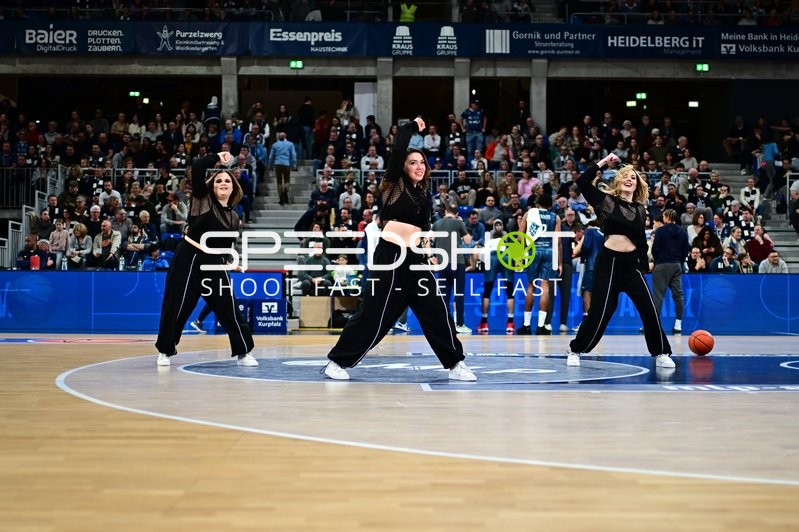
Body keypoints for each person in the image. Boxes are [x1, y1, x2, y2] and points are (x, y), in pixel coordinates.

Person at [323, 117, 476, 382]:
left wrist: (428, 255)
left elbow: (423, 231)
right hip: (391, 257)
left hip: (416, 259)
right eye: (412, 162)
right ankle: (337, 361)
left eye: (421, 162)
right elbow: (398, 150)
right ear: (403, 167)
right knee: (374, 314)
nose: (418, 166)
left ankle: (455, 363)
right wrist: (412, 128)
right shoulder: (394, 185)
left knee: (437, 310)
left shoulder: (423, 195)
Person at [566, 153, 675, 369]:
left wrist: (643, 266)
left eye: (633, 177)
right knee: (600, 312)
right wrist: (604, 162)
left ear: (637, 184)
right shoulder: (607, 202)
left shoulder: (641, 210)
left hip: (632, 265)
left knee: (649, 309)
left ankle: (661, 352)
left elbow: (641, 243)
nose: (629, 179)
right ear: (618, 181)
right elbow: (582, 182)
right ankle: (576, 349)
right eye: (625, 175)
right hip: (609, 263)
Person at [155, 151, 257, 368]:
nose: (223, 183)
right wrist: (217, 158)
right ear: (212, 185)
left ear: (233, 187)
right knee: (178, 306)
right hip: (189, 257)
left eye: (227, 181)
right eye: (219, 180)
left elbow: (224, 247)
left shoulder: (234, 217)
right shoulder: (203, 199)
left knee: (228, 307)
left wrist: (230, 263)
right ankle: (165, 350)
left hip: (214, 263)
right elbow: (198, 168)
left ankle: (243, 352)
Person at [517, 194, 561, 335]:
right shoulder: (556, 217)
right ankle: (542, 326)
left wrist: (521, 255)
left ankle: (526, 325)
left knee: (530, 286)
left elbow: (520, 236)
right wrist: (559, 262)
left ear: (537, 203)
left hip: (533, 250)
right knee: (545, 286)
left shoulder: (529, 214)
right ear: (550, 205)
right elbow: (558, 241)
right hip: (549, 251)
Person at [432, 203, 473, 334]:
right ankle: (459, 324)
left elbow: (428, 239)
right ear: (456, 213)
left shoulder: (437, 224)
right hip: (457, 263)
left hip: (442, 264)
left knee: (444, 295)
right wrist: (462, 224)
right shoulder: (458, 222)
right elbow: (467, 241)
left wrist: (431, 255)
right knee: (459, 294)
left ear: (445, 211)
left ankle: (444, 324)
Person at [651, 209, 690, 335]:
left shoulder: (661, 230)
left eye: (663, 216)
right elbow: (685, 251)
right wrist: (679, 261)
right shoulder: (683, 232)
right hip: (676, 265)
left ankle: (653, 325)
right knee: (678, 295)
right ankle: (678, 324)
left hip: (662, 264)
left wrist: (658, 261)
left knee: (658, 296)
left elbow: (654, 249)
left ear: (667, 217)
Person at [269, 131, 297, 206]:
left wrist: (270, 164)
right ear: (285, 137)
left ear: (278, 137)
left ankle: (281, 196)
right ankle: (285, 192)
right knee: (287, 180)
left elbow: (271, 156)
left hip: (277, 164)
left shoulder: (275, 145)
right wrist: (294, 164)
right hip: (286, 164)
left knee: (279, 181)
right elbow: (293, 155)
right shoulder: (290, 144)